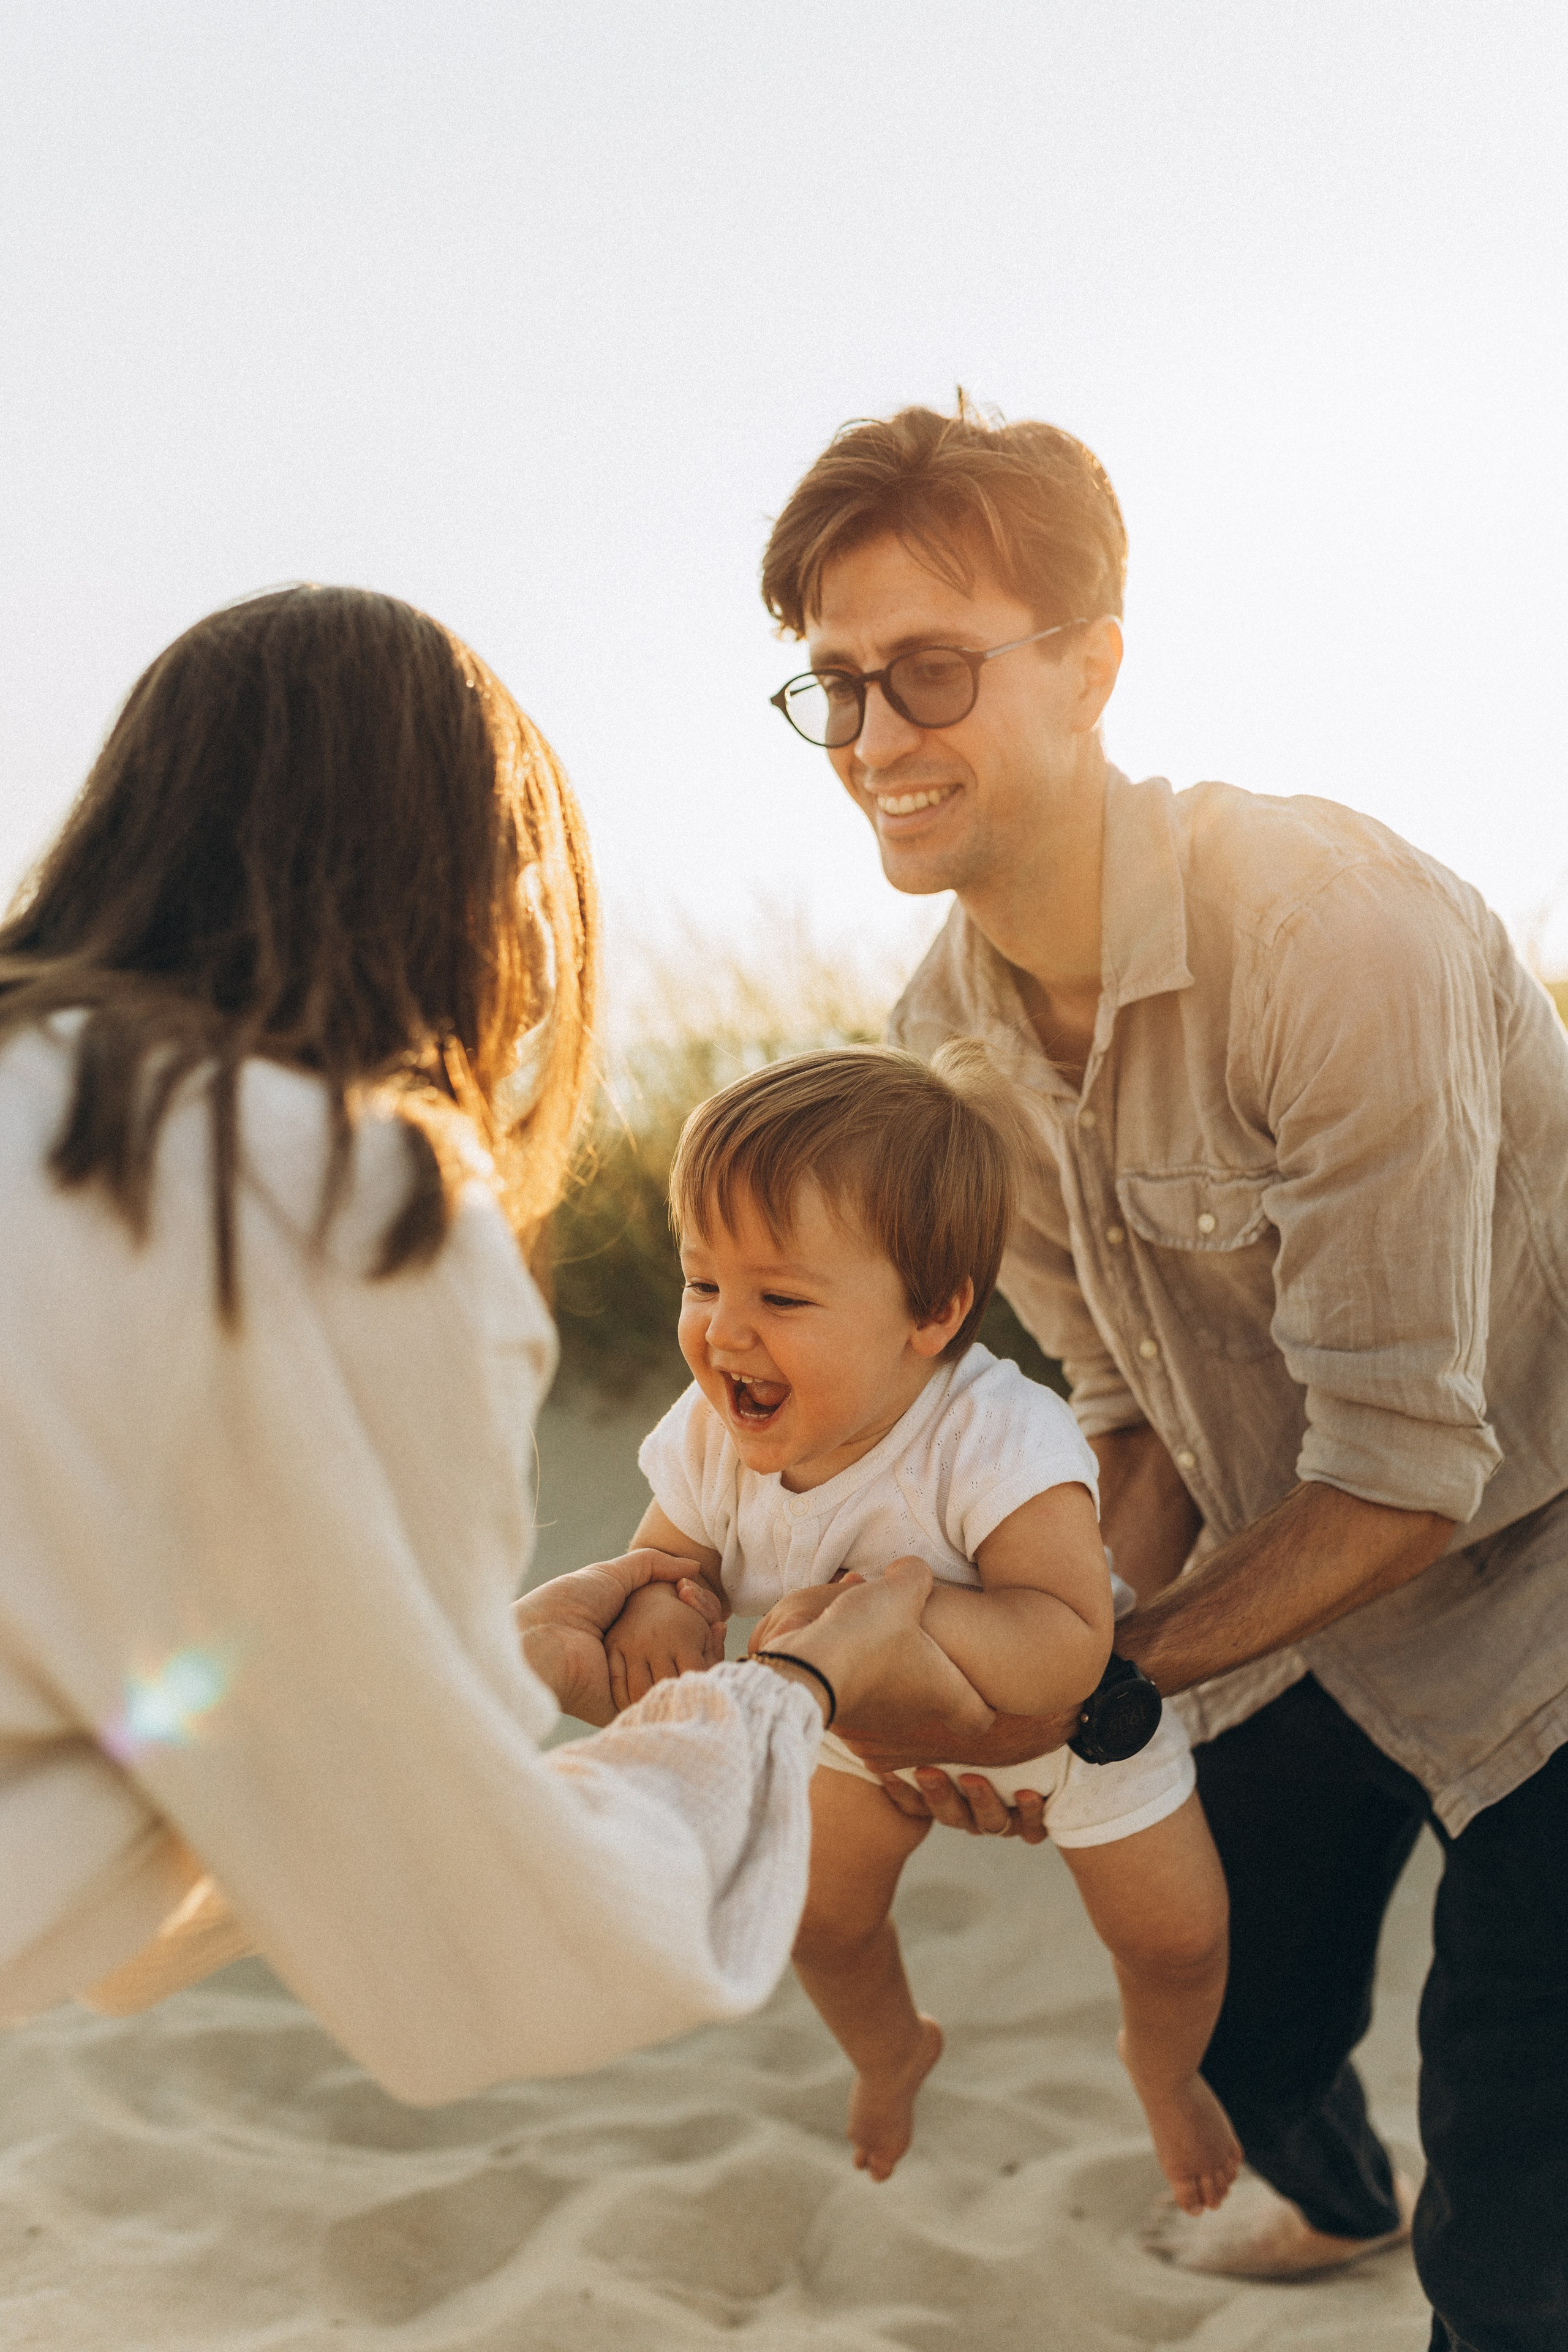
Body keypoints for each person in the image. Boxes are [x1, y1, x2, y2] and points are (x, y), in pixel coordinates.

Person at [756, 401, 1568, 2350]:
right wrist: (1043, 1630)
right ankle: (1331, 2203)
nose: (876, 744)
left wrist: (1077, 1683)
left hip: (1538, 1591)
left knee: (1520, 2231)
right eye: (837, 690)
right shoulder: (942, 1040)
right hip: (1311, 1604)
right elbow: (1136, 1423)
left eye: (930, 673)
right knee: (1237, 2022)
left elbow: (1404, 1472)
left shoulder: (1326, 933)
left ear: (1094, 663)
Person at [0, 584, 992, 2092]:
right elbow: (482, 1956)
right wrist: (783, 1698)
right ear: (499, 893)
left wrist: (484, 1666)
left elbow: (120, 1732)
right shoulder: (347, 1186)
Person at [605, 1043, 1241, 2206]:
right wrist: (659, 1597)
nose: (725, 1334)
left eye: (781, 1297)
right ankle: (892, 2046)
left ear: (933, 1313)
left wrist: (904, 1611)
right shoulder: (713, 1434)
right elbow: (669, 1554)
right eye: (704, 1283)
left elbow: (1067, 1636)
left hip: (1072, 1732)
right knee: (816, 1919)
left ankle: (1162, 2070)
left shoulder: (1001, 1437)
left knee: (1178, 1942)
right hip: (857, 1717)